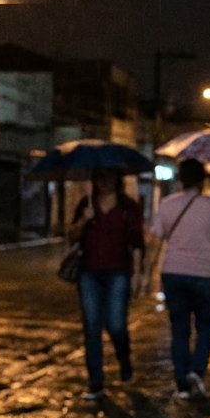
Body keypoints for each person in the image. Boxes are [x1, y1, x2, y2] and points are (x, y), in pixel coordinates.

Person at [150, 158, 210, 400]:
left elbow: (155, 241)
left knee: (179, 330)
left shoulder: (167, 205)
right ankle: (197, 371)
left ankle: (181, 385)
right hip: (205, 275)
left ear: (180, 179)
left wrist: (146, 273)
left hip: (173, 273)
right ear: (202, 180)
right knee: (206, 327)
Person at [69, 168, 145, 401]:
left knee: (116, 325)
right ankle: (96, 382)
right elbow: (72, 236)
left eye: (107, 176)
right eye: (98, 177)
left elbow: (137, 242)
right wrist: (85, 219)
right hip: (89, 274)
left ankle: (124, 359)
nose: (103, 181)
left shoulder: (127, 206)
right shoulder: (86, 204)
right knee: (91, 327)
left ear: (116, 179)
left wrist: (138, 274)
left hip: (118, 273)